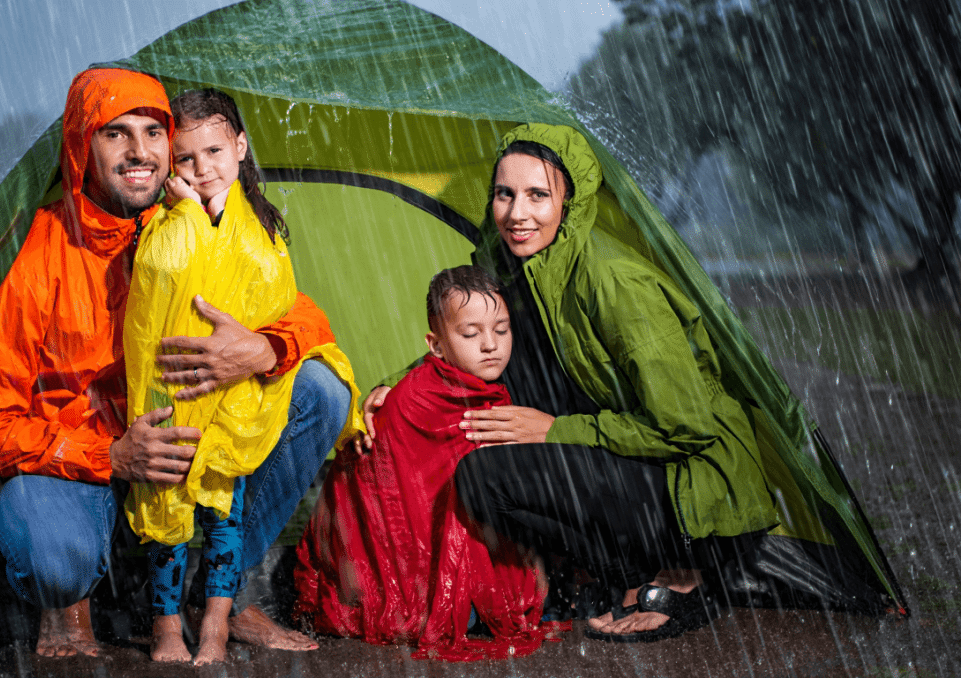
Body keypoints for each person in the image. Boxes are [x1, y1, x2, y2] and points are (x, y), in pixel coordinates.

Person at [0, 67, 350, 658]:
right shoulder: (37, 253)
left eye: (153, 132)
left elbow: (302, 313)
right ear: (83, 145)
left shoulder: (199, 218)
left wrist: (266, 348)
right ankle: (68, 601)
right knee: (52, 553)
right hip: (80, 460)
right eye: (116, 134)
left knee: (321, 389)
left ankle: (220, 594)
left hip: (186, 447)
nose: (140, 152)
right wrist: (109, 455)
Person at [362, 123, 778, 643]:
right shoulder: (511, 265)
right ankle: (612, 572)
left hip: (694, 494)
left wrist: (555, 429)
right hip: (625, 468)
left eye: (539, 195)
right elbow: (472, 337)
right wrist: (396, 388)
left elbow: (687, 427)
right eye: (504, 194)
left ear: (570, 202)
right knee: (478, 468)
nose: (518, 214)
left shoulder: (613, 282)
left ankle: (686, 580)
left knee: (485, 479)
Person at [123, 88, 362, 664]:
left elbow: (286, 303)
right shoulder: (160, 221)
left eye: (214, 152)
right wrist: (188, 214)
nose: (203, 170)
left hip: (237, 396)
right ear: (169, 164)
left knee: (312, 402)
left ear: (241, 146)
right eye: (187, 158)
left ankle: (221, 608)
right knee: (171, 493)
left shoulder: (261, 223)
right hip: (173, 391)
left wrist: (263, 347)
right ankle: (168, 615)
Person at [295, 265, 567, 660]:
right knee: (463, 615)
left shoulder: (485, 389)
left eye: (502, 330)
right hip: (400, 563)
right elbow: (394, 503)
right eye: (471, 334)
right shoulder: (414, 401)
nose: (491, 345)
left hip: (443, 549)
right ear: (435, 347)